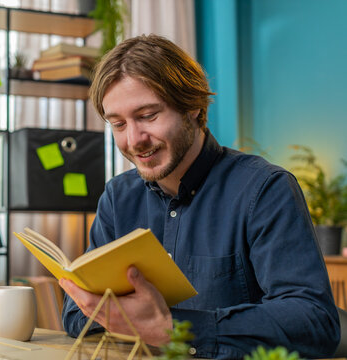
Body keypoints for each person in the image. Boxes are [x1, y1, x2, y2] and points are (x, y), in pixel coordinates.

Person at [59, 34, 340, 359]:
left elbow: (314, 322)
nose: (134, 140)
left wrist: (172, 329)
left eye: (148, 116)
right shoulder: (118, 198)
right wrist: (127, 317)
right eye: (119, 124)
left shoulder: (266, 190)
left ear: (192, 105)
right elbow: (76, 315)